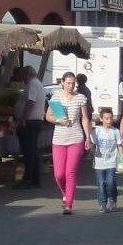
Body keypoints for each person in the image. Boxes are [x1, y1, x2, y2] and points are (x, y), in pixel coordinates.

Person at [47, 72, 92, 214]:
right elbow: (48, 116)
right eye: (68, 83)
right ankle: (65, 193)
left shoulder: (80, 98)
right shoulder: (56, 98)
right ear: (62, 82)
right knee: (59, 174)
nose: (71, 86)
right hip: (59, 139)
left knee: (70, 172)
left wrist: (88, 137)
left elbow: (85, 118)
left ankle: (68, 204)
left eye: (73, 83)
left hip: (76, 138)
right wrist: (58, 120)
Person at [15, 66, 47, 188]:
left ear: (26, 74)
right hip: (34, 121)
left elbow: (31, 102)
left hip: (30, 122)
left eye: (22, 75)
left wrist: (24, 118)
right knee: (32, 151)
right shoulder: (37, 83)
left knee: (29, 151)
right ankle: (32, 179)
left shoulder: (33, 84)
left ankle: (29, 179)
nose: (21, 78)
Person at [90, 107, 122, 212]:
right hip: (99, 163)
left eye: (110, 118)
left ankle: (112, 200)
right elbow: (91, 144)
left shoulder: (116, 131)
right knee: (101, 184)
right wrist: (90, 149)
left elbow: (120, 145)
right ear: (101, 119)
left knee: (111, 182)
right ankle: (102, 204)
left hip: (111, 162)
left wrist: (122, 158)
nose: (109, 120)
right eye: (106, 118)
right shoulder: (97, 131)